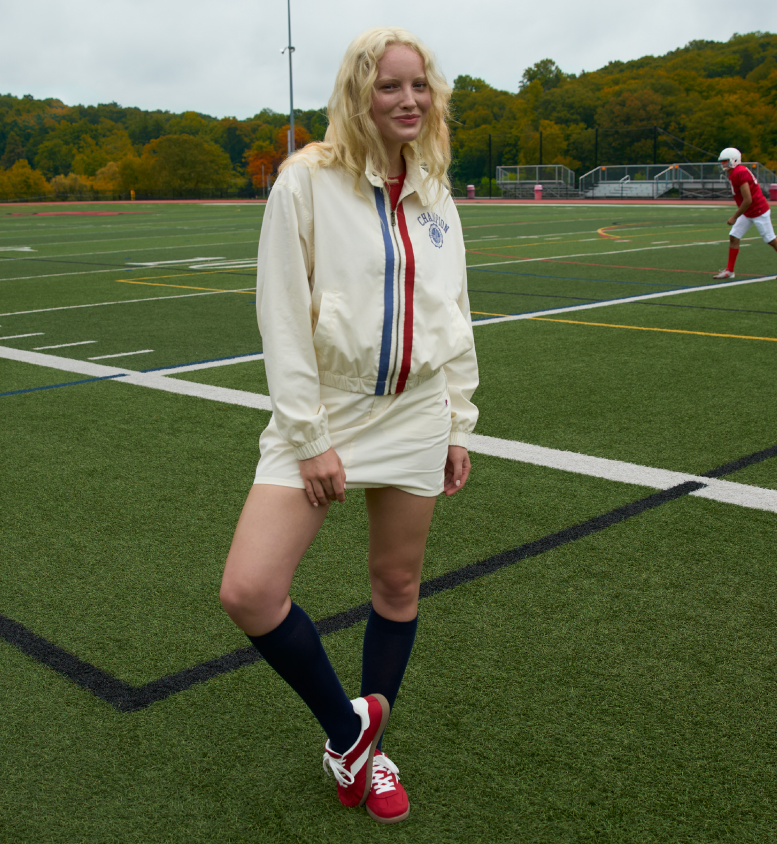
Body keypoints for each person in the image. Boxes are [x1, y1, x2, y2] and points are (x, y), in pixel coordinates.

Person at [218, 27, 478, 825]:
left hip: (417, 413)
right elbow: (282, 320)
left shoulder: (435, 189)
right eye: (389, 86)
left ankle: (364, 753)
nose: (407, 100)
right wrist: (310, 436)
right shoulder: (305, 183)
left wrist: (459, 419)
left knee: (397, 584)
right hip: (329, 410)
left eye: (419, 86)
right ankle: (350, 733)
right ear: (358, 94)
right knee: (250, 591)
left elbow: (454, 311)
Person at [713, 147, 777, 280]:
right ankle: (730, 270)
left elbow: (748, 199)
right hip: (749, 211)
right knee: (734, 236)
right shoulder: (735, 172)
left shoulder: (739, 173)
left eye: (725, 161)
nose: (722, 164)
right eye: (722, 161)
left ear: (734, 161)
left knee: (771, 239)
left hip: (758, 210)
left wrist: (735, 217)